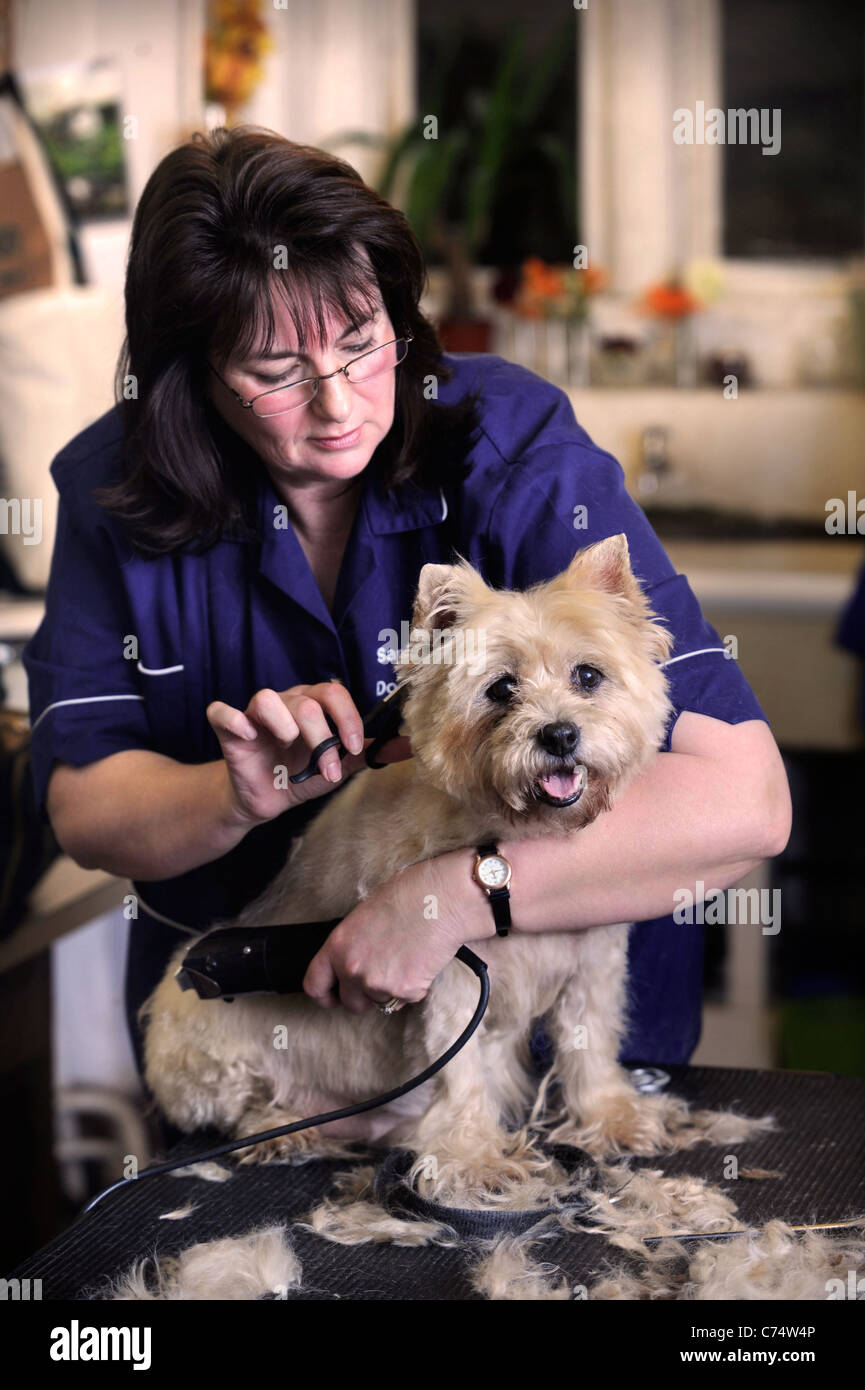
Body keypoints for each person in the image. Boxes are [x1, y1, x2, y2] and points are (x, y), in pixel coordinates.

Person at [23, 127, 791, 1124]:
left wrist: (455, 896)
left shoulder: (515, 449)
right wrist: (232, 795)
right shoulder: (114, 490)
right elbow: (85, 805)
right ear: (194, 369)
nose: (338, 403)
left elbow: (745, 801)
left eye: (359, 342)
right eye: (274, 369)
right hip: (281, 1072)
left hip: (561, 1072)